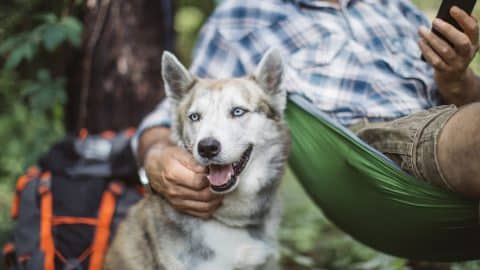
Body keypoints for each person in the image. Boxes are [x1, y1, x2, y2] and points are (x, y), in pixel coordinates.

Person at [133, 0, 480, 219]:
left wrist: (456, 79)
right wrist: (155, 158)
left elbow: (471, 99)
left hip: (453, 126)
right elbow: (176, 113)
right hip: (378, 151)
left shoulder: (396, 7)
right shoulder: (244, 15)